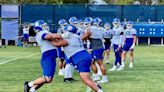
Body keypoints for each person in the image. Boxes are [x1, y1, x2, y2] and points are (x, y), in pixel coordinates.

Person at [51, 24, 104, 92]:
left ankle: (99, 90)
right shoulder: (77, 37)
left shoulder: (68, 39)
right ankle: (96, 85)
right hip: (84, 55)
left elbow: (56, 44)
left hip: (80, 58)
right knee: (85, 77)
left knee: (85, 78)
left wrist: (49, 39)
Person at [24, 20, 58, 92]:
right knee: (47, 78)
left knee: (48, 79)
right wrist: (58, 35)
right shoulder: (40, 33)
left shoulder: (43, 32)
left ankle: (32, 89)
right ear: (40, 27)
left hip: (50, 57)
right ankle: (29, 85)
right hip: (47, 57)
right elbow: (46, 36)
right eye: (44, 25)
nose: (46, 27)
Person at [82, 17, 108, 84]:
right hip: (97, 46)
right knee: (92, 62)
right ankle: (96, 76)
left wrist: (78, 39)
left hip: (97, 47)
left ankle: (105, 78)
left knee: (100, 63)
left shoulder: (90, 29)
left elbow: (84, 36)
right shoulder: (101, 29)